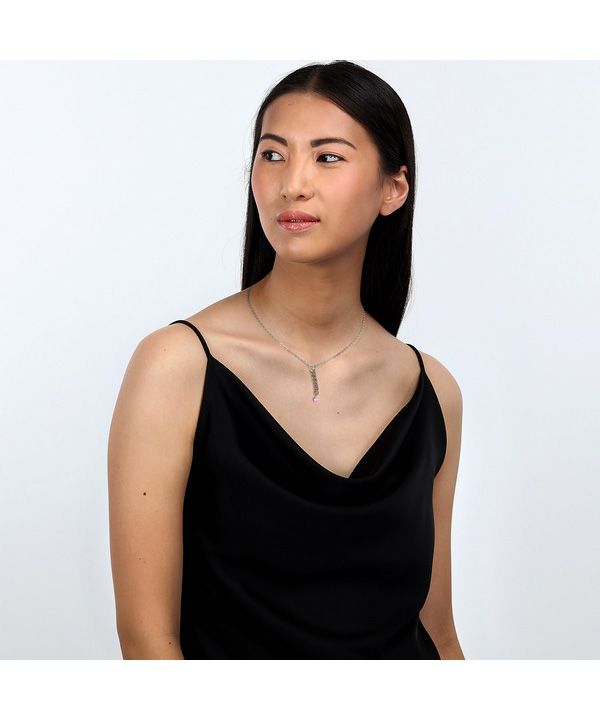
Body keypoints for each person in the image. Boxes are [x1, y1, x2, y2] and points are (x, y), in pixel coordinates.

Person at [108, 60, 464, 660]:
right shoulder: (177, 367)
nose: (292, 183)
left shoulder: (432, 390)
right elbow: (147, 643)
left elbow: (439, 632)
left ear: (393, 189)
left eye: (328, 157)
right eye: (273, 155)